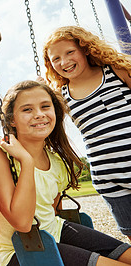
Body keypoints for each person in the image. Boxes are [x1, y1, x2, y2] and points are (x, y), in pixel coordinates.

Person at [0, 80, 131, 265]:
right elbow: (22, 223)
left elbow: (52, 209)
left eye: (45, 106)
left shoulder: (55, 161)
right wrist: (26, 162)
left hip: (55, 230)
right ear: (11, 119)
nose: (39, 114)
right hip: (18, 250)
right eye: (27, 109)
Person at [42, 25, 131, 241]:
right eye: (56, 59)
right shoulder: (62, 96)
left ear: (85, 49)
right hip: (109, 177)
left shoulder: (116, 71)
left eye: (69, 52)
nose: (64, 62)